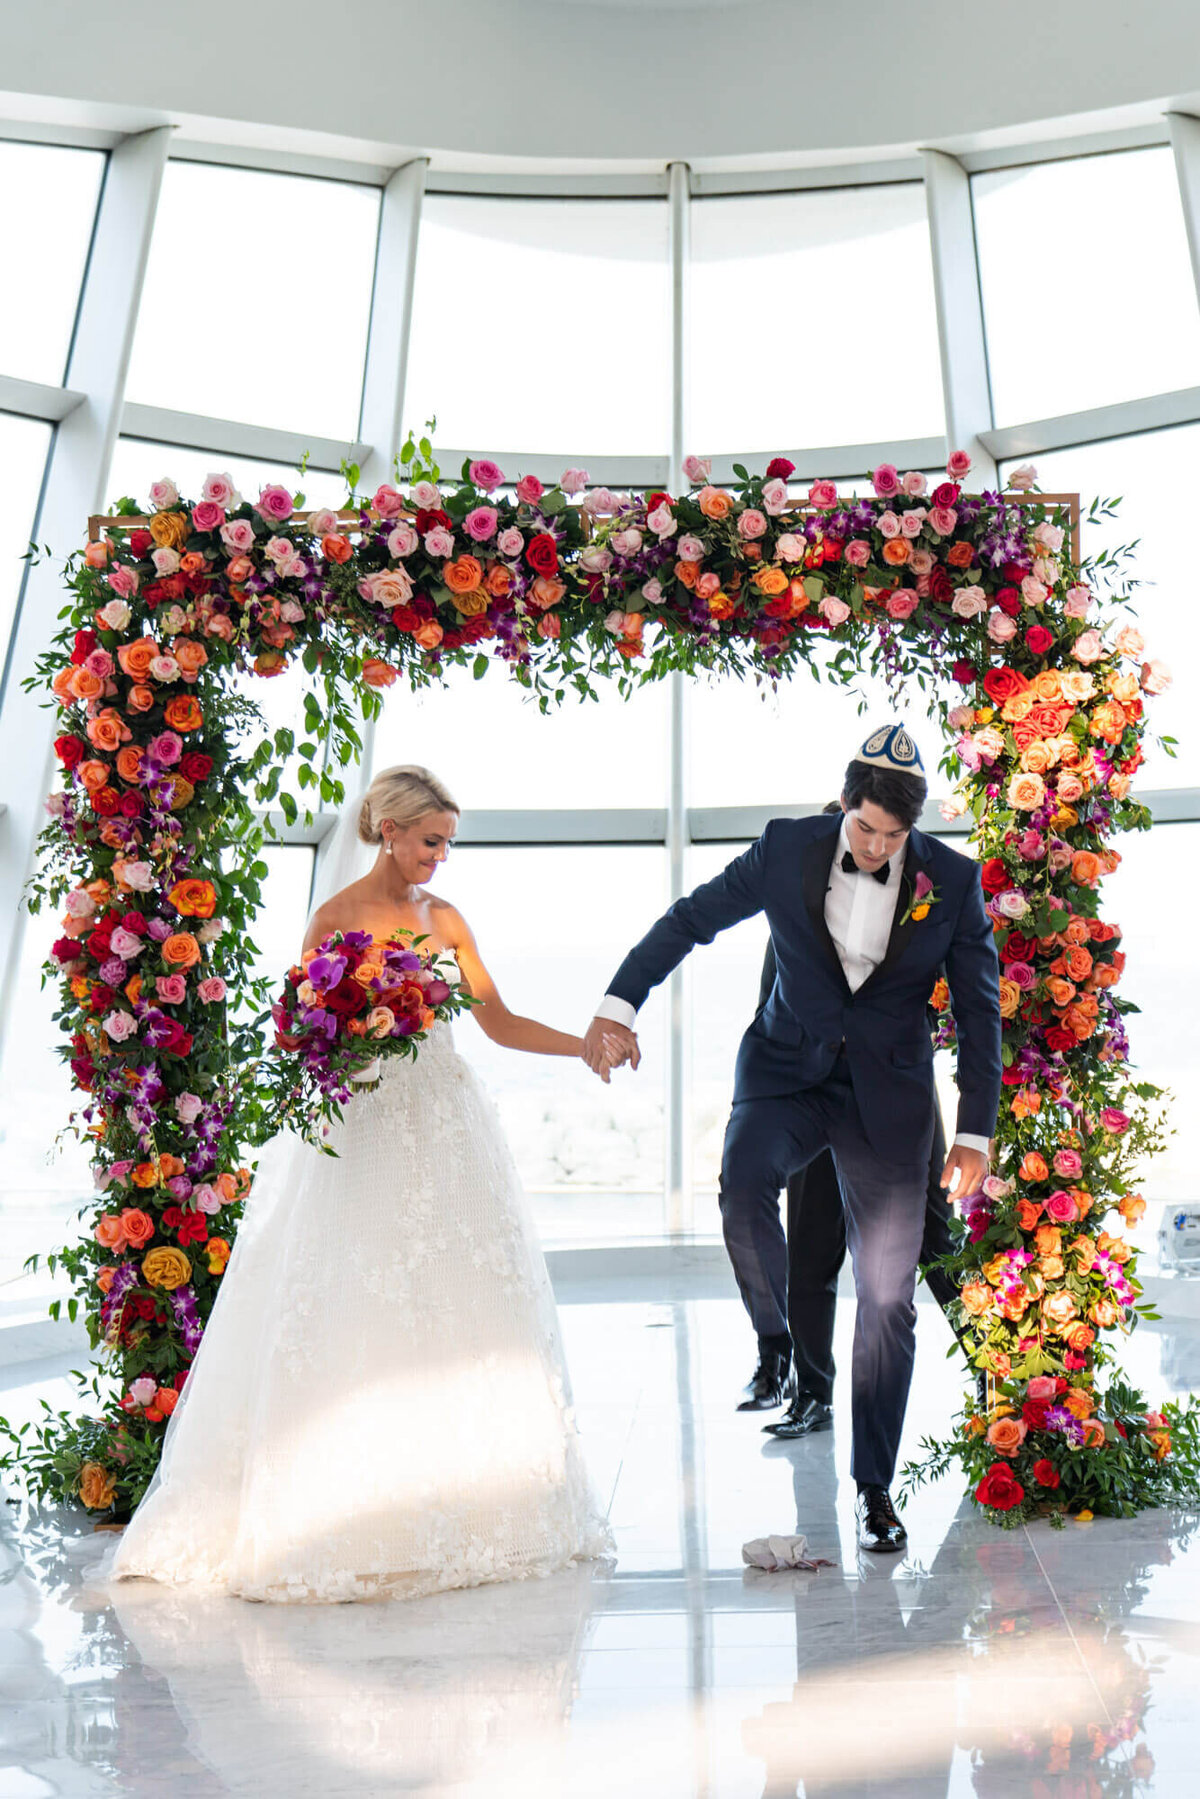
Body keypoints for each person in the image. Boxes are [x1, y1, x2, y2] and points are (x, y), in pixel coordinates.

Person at [108, 764, 612, 1602]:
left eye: (448, 843)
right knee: (348, 1292)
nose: (440, 858)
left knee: (453, 1298)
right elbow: (303, 1036)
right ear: (389, 829)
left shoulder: (446, 919)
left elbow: (497, 1020)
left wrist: (583, 1045)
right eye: (430, 841)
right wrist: (345, 1032)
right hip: (360, 1123)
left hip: (444, 1125)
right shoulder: (333, 918)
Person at [584, 725, 1001, 1552]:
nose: (878, 848)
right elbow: (691, 919)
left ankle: (875, 1488)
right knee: (741, 1190)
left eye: (894, 836)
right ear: (845, 804)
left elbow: (981, 1009)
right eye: (866, 829)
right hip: (785, 1073)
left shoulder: (951, 881)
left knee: (886, 1298)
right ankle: (775, 1345)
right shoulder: (784, 848)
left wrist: (977, 1131)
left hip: (886, 1097)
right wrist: (617, 1003)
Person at [756, 809, 967, 1443]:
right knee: (811, 1247)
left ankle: (991, 1366)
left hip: (897, 1105)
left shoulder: (920, 908)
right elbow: (768, 1009)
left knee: (932, 1237)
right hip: (813, 1097)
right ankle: (812, 1395)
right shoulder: (791, 918)